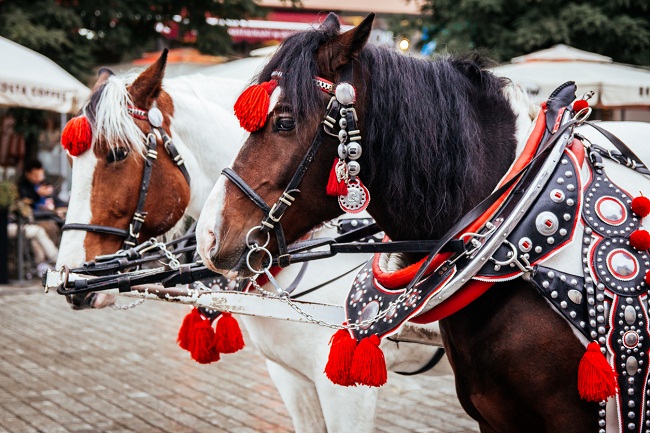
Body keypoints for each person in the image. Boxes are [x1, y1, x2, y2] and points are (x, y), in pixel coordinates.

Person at [17, 159, 66, 244]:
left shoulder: (45, 185)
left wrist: (64, 207)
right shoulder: (23, 187)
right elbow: (26, 204)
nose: (38, 178)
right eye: (35, 175)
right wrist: (38, 194)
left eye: (40, 175)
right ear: (28, 174)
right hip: (36, 219)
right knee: (51, 229)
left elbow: (57, 201)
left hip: (52, 217)